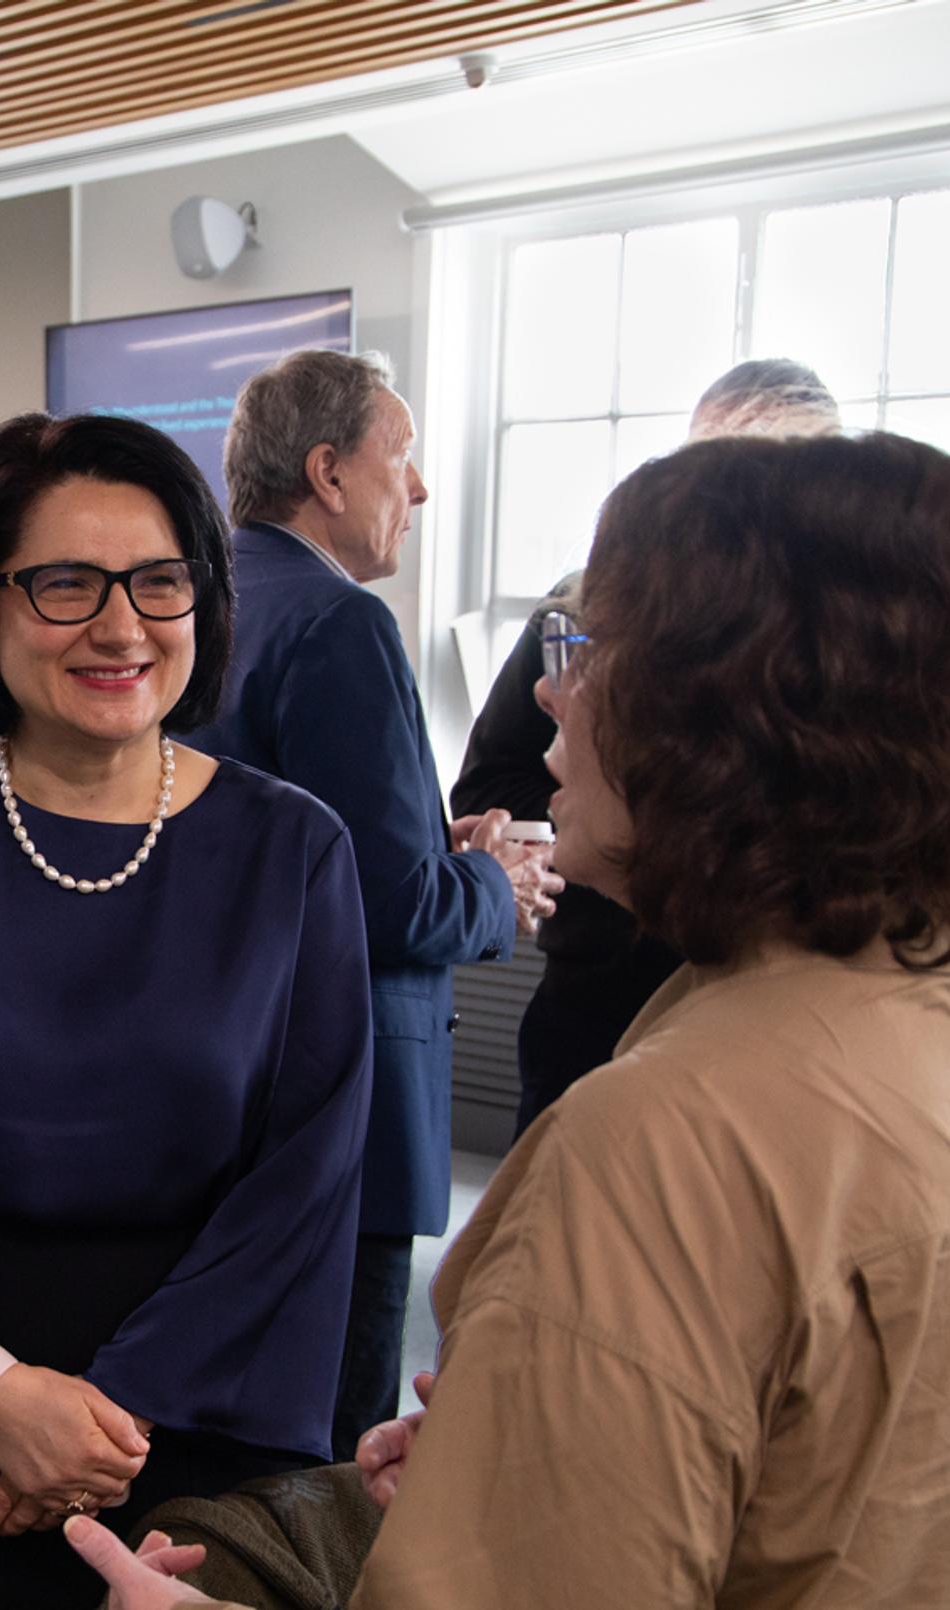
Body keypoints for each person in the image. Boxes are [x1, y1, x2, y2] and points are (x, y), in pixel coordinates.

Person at [316, 430, 950, 1607]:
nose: (554, 686)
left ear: (726, 712)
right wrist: (526, 1462)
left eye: (591, 645)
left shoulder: (663, 1143)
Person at [0, 412, 374, 1610]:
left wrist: (93, 1431)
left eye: (160, 581)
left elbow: (305, 1174)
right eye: (64, 584)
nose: (121, 624)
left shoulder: (292, 848)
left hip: (191, 1432)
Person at [174, 348, 559, 1461]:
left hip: (217, 1086)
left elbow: (292, 848)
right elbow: (387, 903)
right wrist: (499, 882)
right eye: (406, 458)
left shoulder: (193, 603)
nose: (424, 490)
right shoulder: (342, 623)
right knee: (326, 1455)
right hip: (346, 1109)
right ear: (330, 470)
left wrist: (432, 851)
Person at [451, 358, 841, 1137]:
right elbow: (492, 785)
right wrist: (613, 825)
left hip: (789, 1012)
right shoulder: (581, 607)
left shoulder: (847, 643)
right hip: (599, 991)